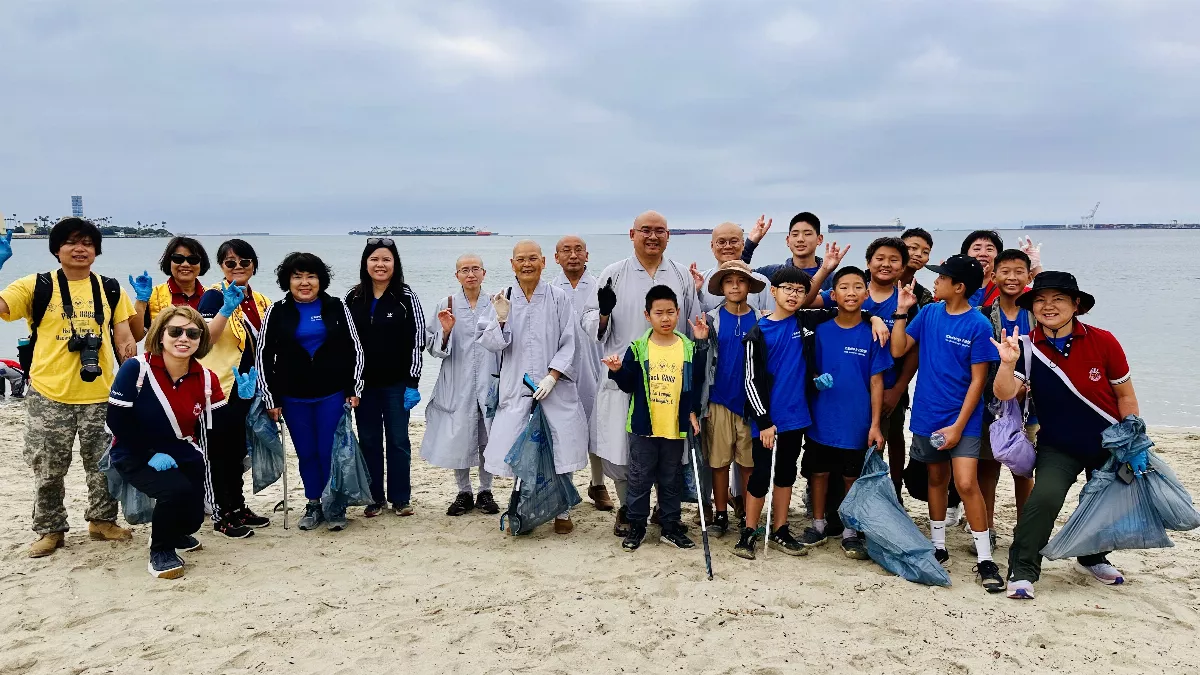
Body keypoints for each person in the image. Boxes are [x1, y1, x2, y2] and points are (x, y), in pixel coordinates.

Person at [994, 272, 1138, 600]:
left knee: (1103, 503)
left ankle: (1092, 557)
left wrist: (1132, 437)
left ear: (1076, 305)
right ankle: (1023, 569)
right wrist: (1006, 363)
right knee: (1043, 500)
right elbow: (1005, 393)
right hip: (1058, 445)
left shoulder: (1105, 341)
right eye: (1041, 300)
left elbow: (1125, 396)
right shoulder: (1027, 348)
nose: (1048, 306)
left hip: (1108, 442)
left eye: (1058, 299)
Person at [0, 218, 138, 557]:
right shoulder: (35, 285)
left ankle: (102, 522)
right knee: (47, 467)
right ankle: (50, 530)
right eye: (72, 242)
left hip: (102, 394)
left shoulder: (109, 288)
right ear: (57, 249)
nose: (80, 249)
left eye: (88, 243)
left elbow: (123, 337)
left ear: (96, 250)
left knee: (104, 465)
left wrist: (133, 376)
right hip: (49, 394)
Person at [735, 266, 888, 560]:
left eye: (799, 290)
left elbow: (849, 311)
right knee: (760, 476)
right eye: (787, 289)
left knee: (785, 474)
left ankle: (780, 528)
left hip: (798, 417)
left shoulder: (807, 321)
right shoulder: (758, 332)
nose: (793, 295)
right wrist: (764, 421)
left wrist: (875, 317)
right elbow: (750, 381)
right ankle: (750, 531)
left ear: (806, 296)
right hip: (767, 421)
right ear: (774, 292)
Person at [889, 254, 1004, 592]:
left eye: (941, 278)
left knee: (967, 484)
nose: (934, 282)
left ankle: (985, 558)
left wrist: (958, 426)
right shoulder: (928, 313)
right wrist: (901, 309)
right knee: (936, 480)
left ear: (959, 286)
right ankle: (939, 547)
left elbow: (978, 381)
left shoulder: (978, 325)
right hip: (927, 415)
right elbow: (898, 349)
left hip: (962, 420)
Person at [582, 211, 700, 536]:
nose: (652, 236)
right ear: (631, 234)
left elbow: (692, 322)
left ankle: (664, 511)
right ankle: (627, 508)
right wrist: (604, 313)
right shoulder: (613, 273)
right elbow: (591, 322)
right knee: (621, 452)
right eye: (645, 230)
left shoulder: (680, 276)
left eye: (659, 231)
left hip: (669, 379)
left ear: (668, 236)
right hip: (624, 376)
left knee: (669, 450)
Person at [479, 240, 589, 534]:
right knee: (518, 447)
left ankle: (562, 509)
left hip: (555, 386)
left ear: (543, 262)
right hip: (517, 386)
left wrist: (553, 376)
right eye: (520, 260)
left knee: (558, 445)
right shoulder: (504, 297)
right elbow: (491, 345)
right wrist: (501, 320)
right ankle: (523, 505)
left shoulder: (558, 298)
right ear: (512, 263)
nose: (527, 264)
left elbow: (570, 342)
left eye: (532, 259)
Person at [106, 306, 224, 578]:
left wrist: (242, 400)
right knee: (175, 491)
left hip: (181, 450)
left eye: (192, 333)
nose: (184, 338)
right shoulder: (136, 369)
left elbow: (220, 424)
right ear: (161, 335)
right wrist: (149, 452)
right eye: (175, 331)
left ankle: (176, 532)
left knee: (194, 518)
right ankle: (160, 550)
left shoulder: (205, 377)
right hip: (134, 450)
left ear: (200, 340)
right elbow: (117, 421)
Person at [258, 252, 364, 531]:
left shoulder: (337, 307)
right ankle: (314, 503)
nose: (305, 282)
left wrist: (355, 387)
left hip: (332, 394)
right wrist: (271, 398)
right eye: (297, 277)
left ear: (320, 280)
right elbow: (264, 356)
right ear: (288, 281)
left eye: (311, 276)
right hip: (293, 398)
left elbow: (356, 349)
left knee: (330, 451)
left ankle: (335, 504)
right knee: (307, 453)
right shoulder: (276, 311)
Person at [603, 285, 705, 551]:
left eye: (670, 312)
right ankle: (637, 527)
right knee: (639, 479)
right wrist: (616, 370)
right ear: (647, 315)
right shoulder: (637, 348)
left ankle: (670, 527)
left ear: (678, 312)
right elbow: (627, 385)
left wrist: (692, 412)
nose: (665, 318)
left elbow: (694, 384)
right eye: (658, 313)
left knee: (670, 480)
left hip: (674, 428)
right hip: (643, 428)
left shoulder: (686, 346)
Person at [801, 267, 892, 559]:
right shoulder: (820, 330)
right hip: (821, 417)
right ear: (833, 294)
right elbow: (809, 367)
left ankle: (850, 530)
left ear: (866, 294)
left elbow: (877, 381)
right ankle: (817, 523)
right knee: (818, 472)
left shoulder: (873, 334)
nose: (850, 293)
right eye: (844, 287)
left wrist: (876, 424)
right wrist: (815, 378)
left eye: (857, 287)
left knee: (852, 476)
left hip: (857, 420)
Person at [196, 239, 272, 538]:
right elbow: (205, 341)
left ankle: (238, 506)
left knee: (237, 450)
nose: (238, 267)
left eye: (245, 261)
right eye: (230, 263)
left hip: (247, 389)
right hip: (219, 389)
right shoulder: (214, 297)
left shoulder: (262, 300)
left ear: (254, 264)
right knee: (218, 453)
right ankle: (221, 513)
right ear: (221, 267)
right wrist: (226, 309)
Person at [345, 238, 425, 518]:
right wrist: (349, 384)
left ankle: (401, 498)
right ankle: (374, 497)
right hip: (364, 386)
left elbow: (418, 340)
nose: (380, 265)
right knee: (368, 440)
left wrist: (413, 383)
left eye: (386, 260)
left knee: (399, 441)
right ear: (366, 263)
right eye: (375, 259)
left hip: (397, 385)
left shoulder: (405, 297)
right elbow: (344, 344)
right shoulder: (353, 298)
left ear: (395, 264)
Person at [422, 254, 500, 516]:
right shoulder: (447, 304)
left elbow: (506, 341)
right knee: (460, 435)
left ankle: (486, 490)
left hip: (489, 377)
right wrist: (445, 331)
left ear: (484, 273)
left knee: (488, 435)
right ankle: (464, 491)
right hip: (457, 379)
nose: (470, 274)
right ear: (457, 275)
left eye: (475, 269)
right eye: (464, 270)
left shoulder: (496, 302)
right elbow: (432, 347)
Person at [976, 249, 1038, 553]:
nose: (1011, 277)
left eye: (1019, 271)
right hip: (992, 404)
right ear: (994, 275)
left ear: (1029, 276)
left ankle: (1025, 530)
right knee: (987, 468)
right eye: (1005, 271)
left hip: (1032, 407)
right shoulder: (983, 314)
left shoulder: (1038, 313)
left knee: (1023, 468)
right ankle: (986, 528)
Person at [697, 260, 763, 537]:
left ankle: (748, 515)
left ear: (749, 285)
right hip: (719, 401)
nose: (735, 285)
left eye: (741, 280)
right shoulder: (712, 318)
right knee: (719, 462)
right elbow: (702, 363)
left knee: (748, 463)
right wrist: (702, 405)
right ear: (722, 287)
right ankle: (721, 513)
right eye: (728, 281)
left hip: (750, 402)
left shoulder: (761, 318)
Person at [551, 235, 614, 511]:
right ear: (556, 258)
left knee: (595, 423)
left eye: (578, 250)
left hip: (595, 362)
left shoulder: (601, 285)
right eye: (566, 251)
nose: (573, 255)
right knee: (561, 427)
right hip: (560, 367)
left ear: (587, 255)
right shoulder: (550, 289)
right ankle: (563, 484)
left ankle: (598, 484)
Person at [128, 236, 211, 341]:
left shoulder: (211, 296)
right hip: (162, 356)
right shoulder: (153, 295)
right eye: (178, 259)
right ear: (169, 262)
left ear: (201, 263)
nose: (185, 264)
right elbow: (135, 337)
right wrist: (141, 300)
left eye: (193, 259)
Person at [741, 212, 836, 291]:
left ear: (819, 239)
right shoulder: (772, 273)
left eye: (807, 234)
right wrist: (751, 243)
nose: (800, 239)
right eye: (795, 234)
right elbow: (737, 274)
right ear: (788, 240)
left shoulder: (832, 278)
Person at [691, 221, 773, 314]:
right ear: (712, 246)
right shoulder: (700, 281)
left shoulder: (761, 282)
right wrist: (692, 291)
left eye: (734, 241)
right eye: (721, 242)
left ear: (743, 245)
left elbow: (772, 320)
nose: (728, 246)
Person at [899, 227, 936, 308]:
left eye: (925, 252)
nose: (919, 254)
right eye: (913, 248)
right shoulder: (869, 280)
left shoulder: (923, 295)